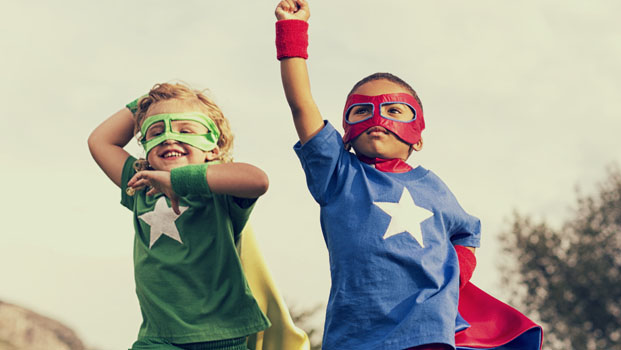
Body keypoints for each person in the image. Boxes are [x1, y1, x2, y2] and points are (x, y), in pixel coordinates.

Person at [273, 1, 542, 349]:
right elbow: (302, 105)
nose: (377, 119)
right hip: (357, 333)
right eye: (361, 111)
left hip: (427, 330)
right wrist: (292, 32)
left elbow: (467, 232)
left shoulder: (433, 186)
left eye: (394, 109)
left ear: (418, 134)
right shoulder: (338, 174)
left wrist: (452, 279)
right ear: (345, 132)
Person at [88, 82, 271, 350]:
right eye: (157, 130)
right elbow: (100, 141)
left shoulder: (221, 191)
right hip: (158, 339)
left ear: (213, 148)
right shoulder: (140, 185)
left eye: (186, 130)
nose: (171, 138)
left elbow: (258, 180)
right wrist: (146, 104)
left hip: (221, 337)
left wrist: (179, 179)